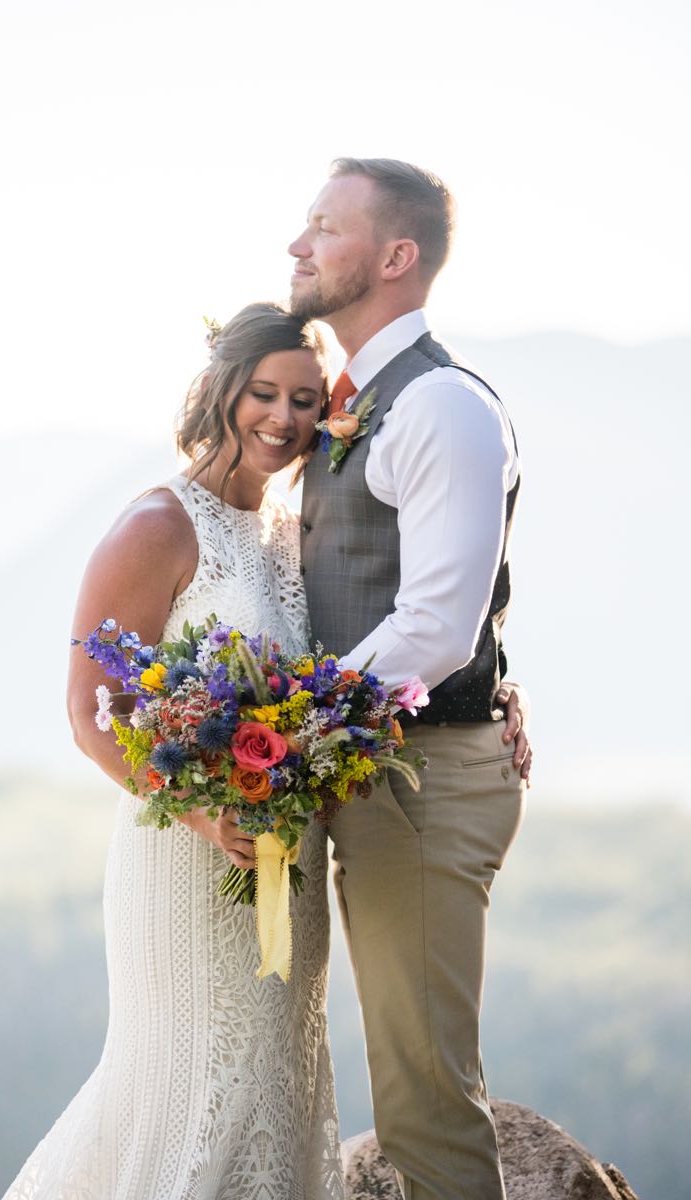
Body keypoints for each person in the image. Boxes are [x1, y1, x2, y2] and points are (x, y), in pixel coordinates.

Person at [2, 303, 345, 1200]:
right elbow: (91, 711)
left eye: (305, 400)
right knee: (185, 1081)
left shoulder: (291, 527)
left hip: (288, 858)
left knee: (276, 1075)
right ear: (222, 390)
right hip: (184, 857)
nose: (283, 418)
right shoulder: (158, 525)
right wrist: (201, 813)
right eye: (264, 393)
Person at [290, 158, 530, 1199]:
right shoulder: (354, 400)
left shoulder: (438, 404)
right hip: (378, 769)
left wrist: (283, 727)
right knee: (406, 1084)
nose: (297, 245)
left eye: (323, 226)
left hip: (422, 781)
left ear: (395, 256)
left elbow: (437, 623)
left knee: (425, 1102)